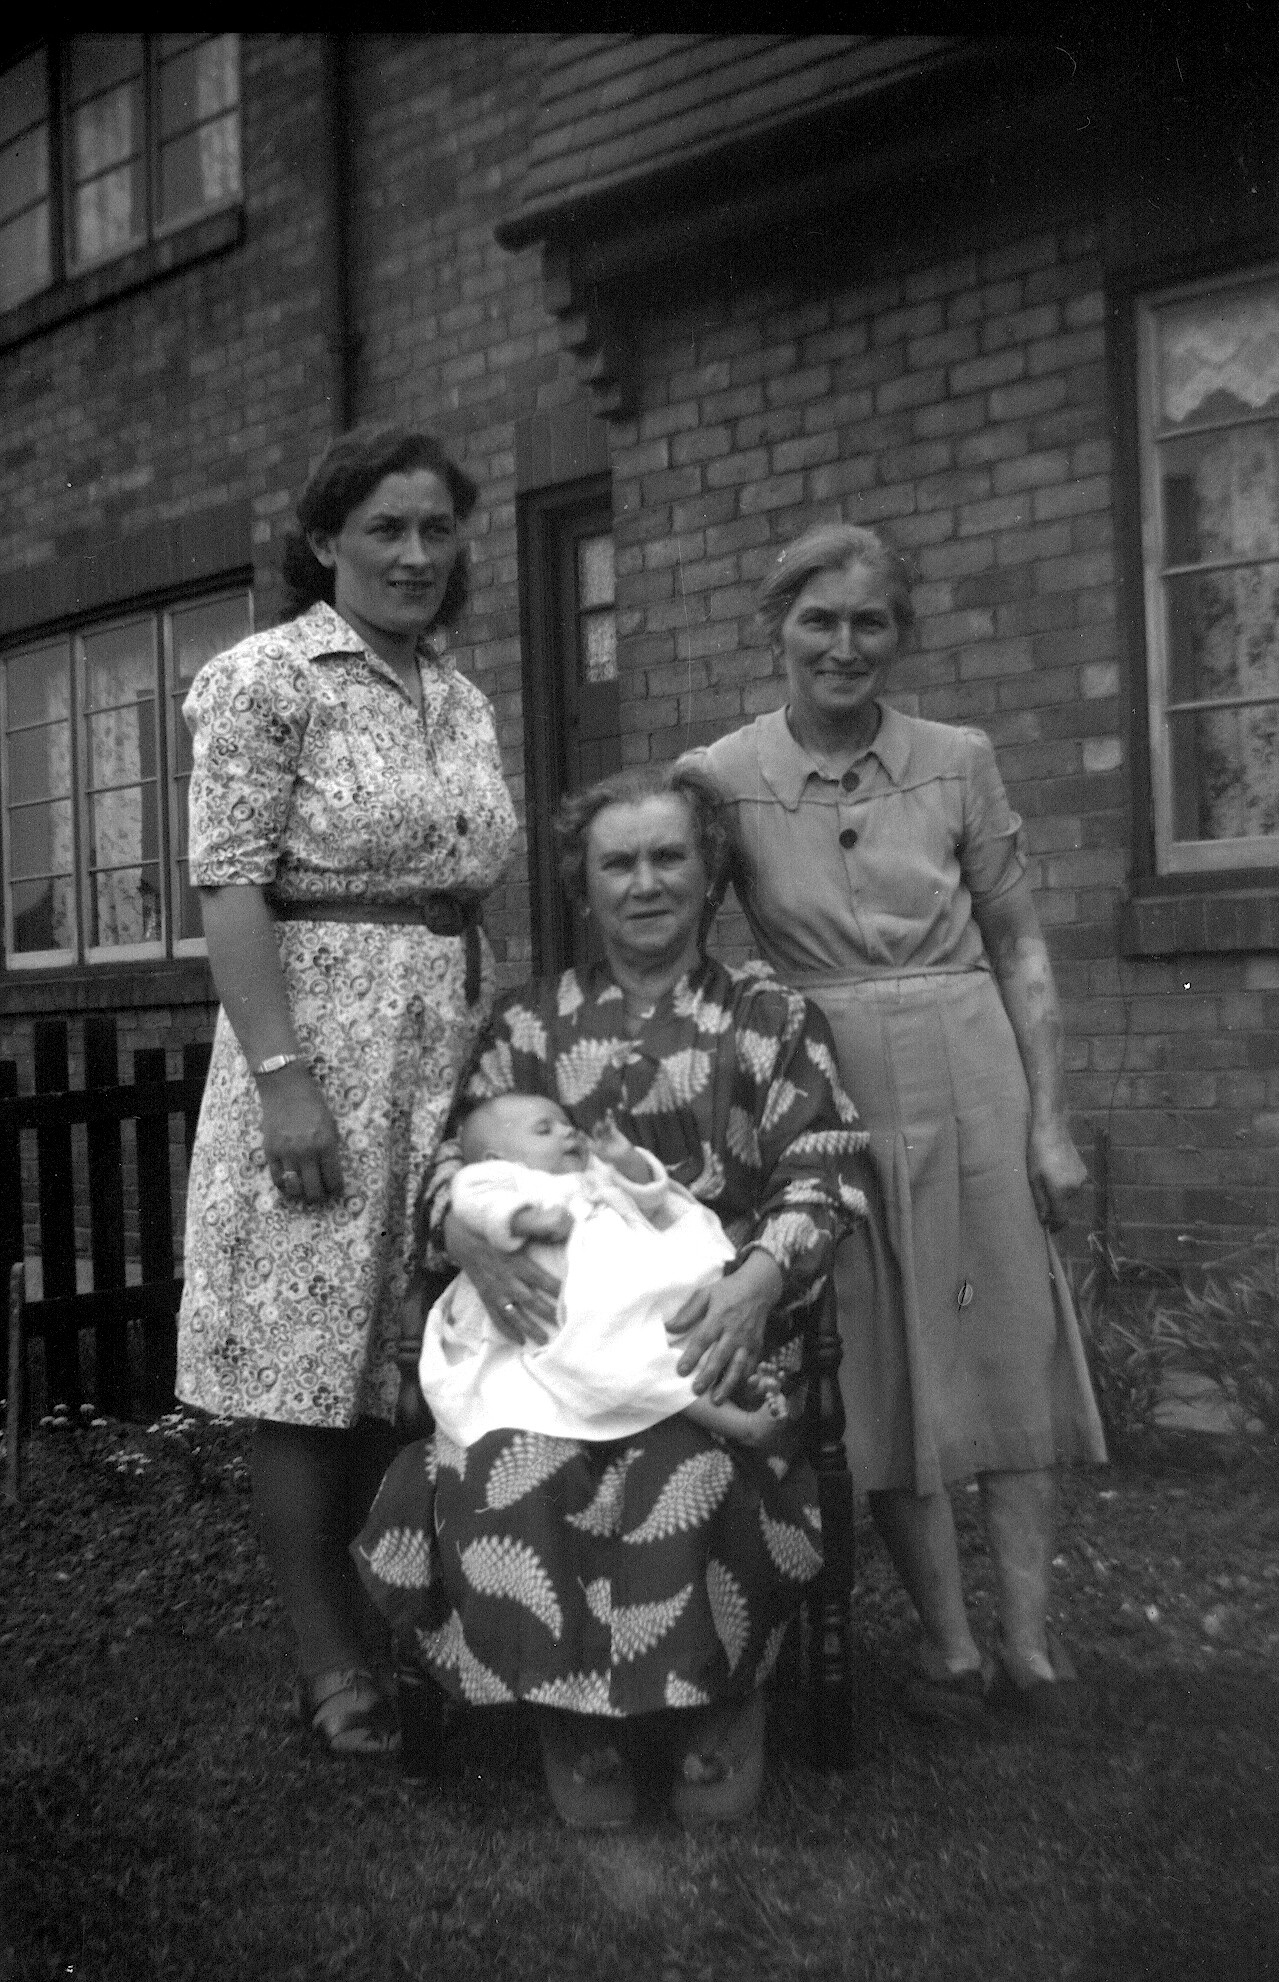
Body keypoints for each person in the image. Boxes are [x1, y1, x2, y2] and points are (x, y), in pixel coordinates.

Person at [354, 763, 875, 1826]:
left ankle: (713, 1703)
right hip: (548, 1347)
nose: (645, 882)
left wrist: (756, 1280)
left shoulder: (770, 1017)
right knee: (510, 1470)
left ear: (709, 873)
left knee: (695, 1470)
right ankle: (574, 1718)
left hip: (708, 1332)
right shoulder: (526, 1023)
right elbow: (453, 1166)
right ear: (582, 887)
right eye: (617, 863)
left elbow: (823, 1170)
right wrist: (463, 1227)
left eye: (668, 857)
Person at [680, 521, 1106, 1723]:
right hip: (831, 1090)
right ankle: (948, 1644)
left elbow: (1019, 943)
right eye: (817, 619)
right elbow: (679, 945)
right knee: (881, 1359)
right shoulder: (720, 774)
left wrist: (1049, 1123)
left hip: (975, 1070)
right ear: (775, 629)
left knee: (1006, 1340)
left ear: (900, 635)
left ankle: (1029, 1643)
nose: (843, 644)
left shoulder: (958, 758)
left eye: (869, 621)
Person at [176, 422, 517, 1755]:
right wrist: (282, 1079)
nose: (415, 553)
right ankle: (329, 1658)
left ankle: (406, 1620)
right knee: (307, 1361)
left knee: (412, 1353)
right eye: (385, 527)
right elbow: (228, 884)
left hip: (444, 1054)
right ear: (325, 540)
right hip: (317, 1052)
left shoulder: (461, 696)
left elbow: (470, 877)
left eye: (435, 528)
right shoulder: (264, 678)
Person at [420, 1091, 799, 1451]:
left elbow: (651, 1199)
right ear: (495, 1159)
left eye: (567, 1124)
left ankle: (738, 1380)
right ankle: (738, 1424)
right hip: (575, 1308)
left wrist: (626, 1160)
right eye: (544, 1129)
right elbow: (472, 1200)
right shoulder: (504, 1180)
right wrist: (525, 1220)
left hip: (635, 1284)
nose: (567, 1131)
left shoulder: (594, 1173)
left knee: (688, 1319)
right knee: (629, 1362)